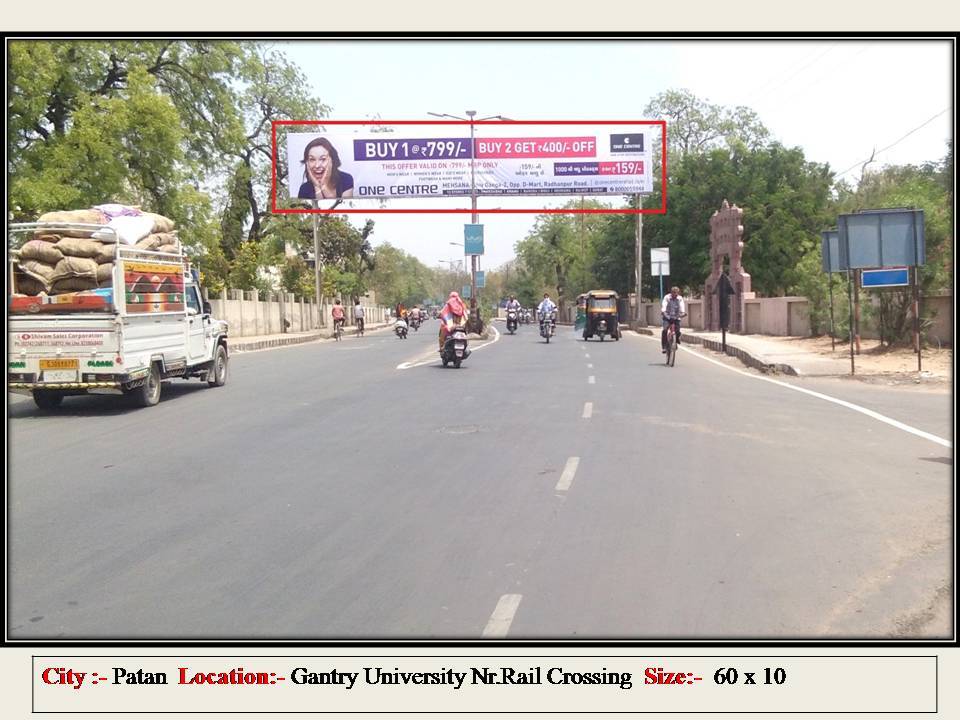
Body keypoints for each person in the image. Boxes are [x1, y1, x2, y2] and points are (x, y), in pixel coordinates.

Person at [661, 286, 687, 353]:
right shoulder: (667, 297)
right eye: (674, 292)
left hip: (676, 317)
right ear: (671, 292)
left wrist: (683, 313)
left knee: (677, 331)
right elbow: (664, 305)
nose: (675, 294)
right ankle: (664, 346)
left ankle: (675, 340)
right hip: (667, 317)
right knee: (665, 330)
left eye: (676, 293)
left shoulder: (680, 298)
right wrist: (663, 312)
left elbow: (682, 307)